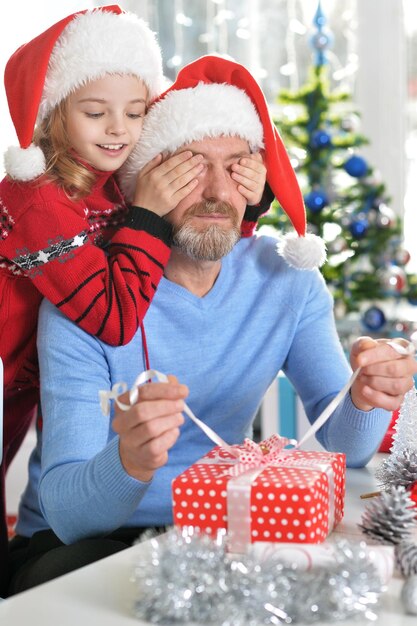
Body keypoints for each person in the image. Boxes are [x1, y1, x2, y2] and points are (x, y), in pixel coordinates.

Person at [8, 55, 417, 594]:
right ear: (143, 182)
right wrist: (130, 459)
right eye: (190, 165)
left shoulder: (287, 280)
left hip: (221, 529)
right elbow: (68, 515)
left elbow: (347, 447)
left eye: (236, 167)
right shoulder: (87, 296)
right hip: (80, 542)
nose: (216, 193)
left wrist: (365, 400)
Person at [0, 9, 270, 592]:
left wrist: (250, 198)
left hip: (27, 366)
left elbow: (185, 234)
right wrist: (148, 212)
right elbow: (116, 317)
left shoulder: (104, 173)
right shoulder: (34, 195)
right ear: (53, 115)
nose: (118, 129)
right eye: (95, 113)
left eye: (137, 112)